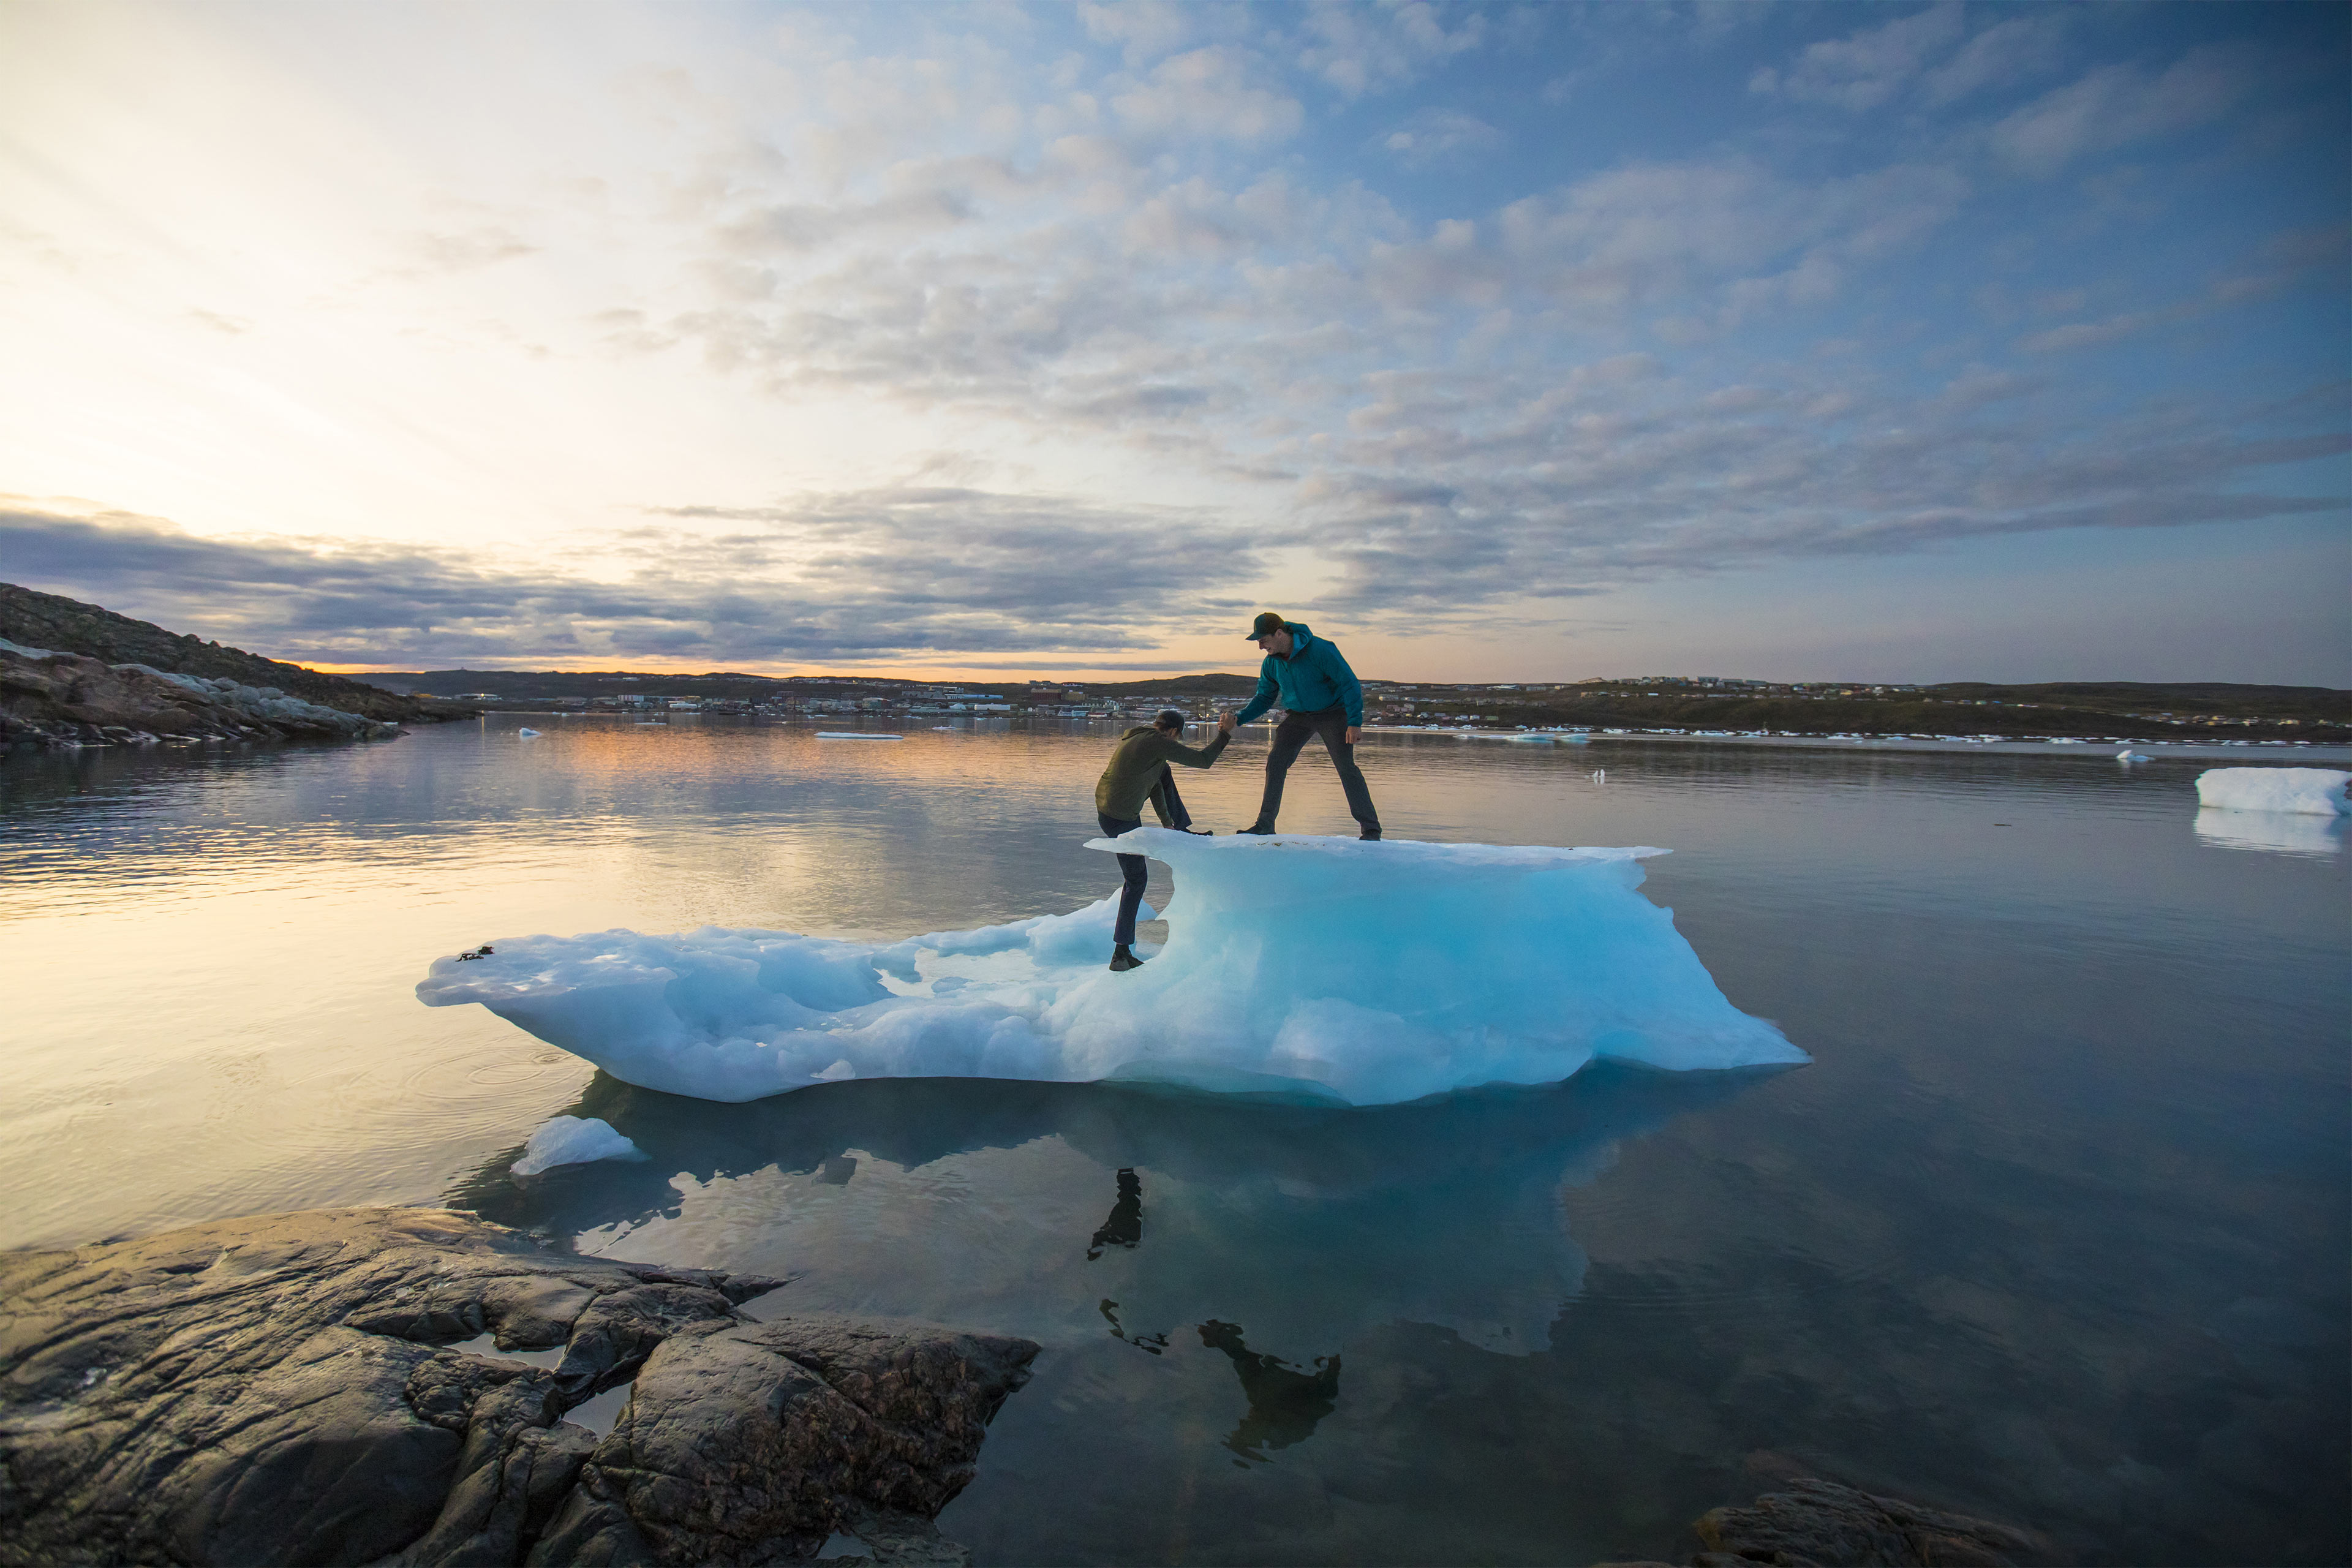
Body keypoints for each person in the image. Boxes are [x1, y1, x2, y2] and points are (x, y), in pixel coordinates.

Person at [1095, 707, 1234, 971]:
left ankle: (1180, 828)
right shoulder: (1156, 742)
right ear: (1171, 732)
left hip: (1115, 811)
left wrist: (1169, 825)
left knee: (1165, 771)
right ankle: (1121, 955)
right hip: (1119, 817)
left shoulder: (1144, 741)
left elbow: (1157, 783)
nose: (1176, 743)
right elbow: (1203, 760)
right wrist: (1225, 734)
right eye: (1177, 738)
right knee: (1136, 880)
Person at [1229, 612, 1381, 840]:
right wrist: (1238, 718)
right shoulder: (1272, 663)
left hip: (1333, 713)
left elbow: (1349, 683)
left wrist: (1354, 722)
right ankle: (1265, 824)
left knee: (1346, 768)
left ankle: (1371, 829)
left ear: (1279, 634)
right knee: (1276, 761)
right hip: (1298, 716)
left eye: (1263, 640)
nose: (1260, 646)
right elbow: (1264, 698)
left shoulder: (1320, 650)